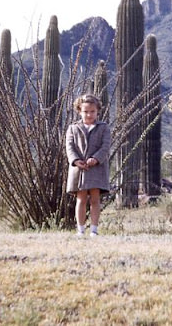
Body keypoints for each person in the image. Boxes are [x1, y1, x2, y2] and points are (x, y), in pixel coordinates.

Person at [66, 94, 111, 237]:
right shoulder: (73, 128)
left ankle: (94, 230)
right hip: (79, 170)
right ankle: (80, 229)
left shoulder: (103, 128)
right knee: (81, 199)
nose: (89, 114)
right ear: (79, 111)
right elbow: (70, 146)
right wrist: (75, 161)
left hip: (97, 168)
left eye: (92, 111)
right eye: (86, 111)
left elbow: (106, 146)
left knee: (95, 199)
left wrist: (96, 159)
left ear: (98, 111)